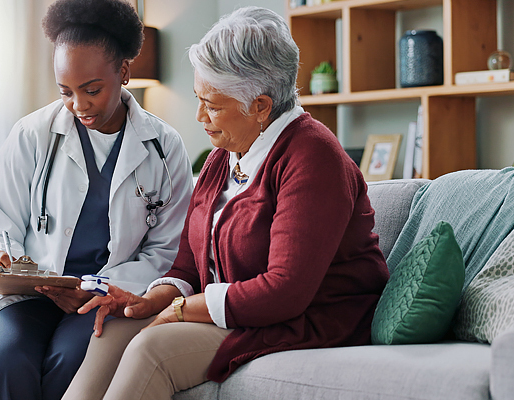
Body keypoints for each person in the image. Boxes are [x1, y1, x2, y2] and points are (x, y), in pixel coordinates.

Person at [61, 6, 389, 400]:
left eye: (213, 105)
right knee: (113, 330)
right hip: (233, 313)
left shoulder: (312, 157)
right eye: (200, 99)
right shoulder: (223, 156)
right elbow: (187, 264)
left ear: (261, 106)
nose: (199, 116)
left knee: (153, 349)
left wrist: (182, 310)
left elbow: (284, 292)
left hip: (309, 318)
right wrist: (150, 301)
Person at [0, 0, 193, 399]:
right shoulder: (31, 135)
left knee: (72, 360)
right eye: (66, 92)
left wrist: (102, 288)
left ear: (124, 72)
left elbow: (167, 249)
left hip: (103, 297)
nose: (79, 106)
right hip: (31, 292)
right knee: (5, 357)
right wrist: (2, 256)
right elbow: (0, 227)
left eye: (91, 90)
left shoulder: (165, 148)